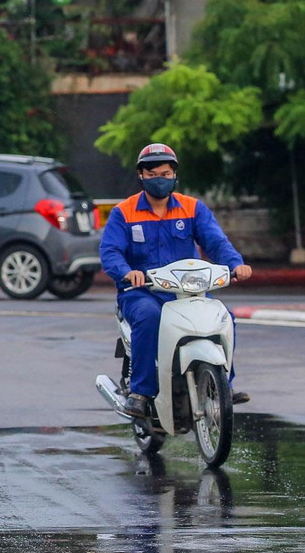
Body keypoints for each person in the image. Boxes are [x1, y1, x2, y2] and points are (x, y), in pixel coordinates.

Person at [100, 143, 253, 419]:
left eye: (166, 173)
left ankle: (224, 386)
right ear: (141, 176)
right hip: (141, 292)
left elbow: (216, 242)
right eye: (154, 174)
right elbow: (110, 252)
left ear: (175, 175)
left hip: (186, 292)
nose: (161, 178)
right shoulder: (124, 212)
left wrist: (236, 264)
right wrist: (126, 272)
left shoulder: (192, 208)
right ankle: (141, 393)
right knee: (149, 318)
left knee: (224, 317)